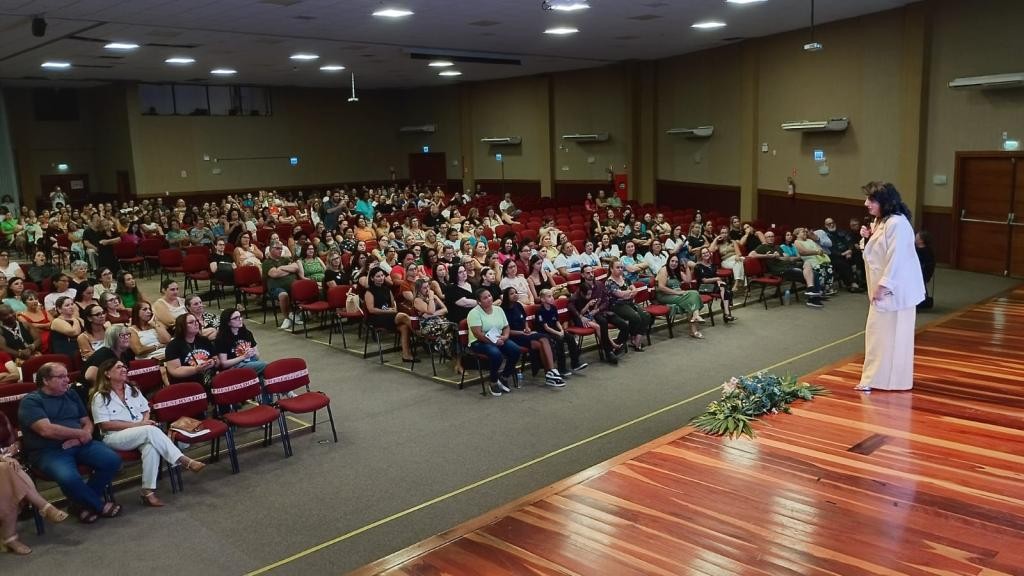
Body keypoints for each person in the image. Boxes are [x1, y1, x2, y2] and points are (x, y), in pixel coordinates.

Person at [18, 362, 123, 524]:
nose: (67, 380)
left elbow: (87, 421)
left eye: (67, 376)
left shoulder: (71, 394)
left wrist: (84, 435)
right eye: (61, 377)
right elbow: (46, 430)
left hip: (80, 443)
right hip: (49, 450)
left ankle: (80, 505)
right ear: (45, 380)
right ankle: (98, 505)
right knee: (69, 478)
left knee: (112, 461)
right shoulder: (31, 401)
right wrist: (80, 434)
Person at [90, 359, 204, 508]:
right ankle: (183, 460)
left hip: (141, 431)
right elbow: (104, 425)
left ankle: (147, 492)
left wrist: (144, 421)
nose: (124, 369)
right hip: (115, 436)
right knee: (151, 430)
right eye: (119, 367)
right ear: (107, 373)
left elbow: (146, 409)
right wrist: (139, 425)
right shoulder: (100, 397)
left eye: (124, 366)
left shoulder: (132, 389)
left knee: (151, 447)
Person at [856, 182, 925, 392]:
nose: (866, 203)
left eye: (872, 200)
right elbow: (876, 252)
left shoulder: (898, 224)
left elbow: (898, 258)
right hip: (885, 288)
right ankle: (878, 378)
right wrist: (867, 238)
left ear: (885, 202)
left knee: (892, 335)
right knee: (879, 334)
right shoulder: (881, 221)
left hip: (895, 290)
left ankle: (886, 379)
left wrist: (884, 285)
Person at [1, 411, 69, 555]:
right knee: (7, 470)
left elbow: (15, 438)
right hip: (4, 464)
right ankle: (44, 506)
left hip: (9, 462)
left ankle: (10, 538)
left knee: (10, 472)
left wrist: (15, 447)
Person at [501, 286, 564, 387]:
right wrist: (523, 332)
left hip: (525, 334)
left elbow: (524, 319)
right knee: (544, 337)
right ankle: (552, 370)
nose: (515, 295)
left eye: (516, 292)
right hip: (514, 337)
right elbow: (506, 331)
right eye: (512, 293)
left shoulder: (518, 305)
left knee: (541, 344)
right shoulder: (502, 310)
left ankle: (549, 375)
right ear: (506, 296)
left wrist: (527, 328)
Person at [467, 288, 520, 396]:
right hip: (479, 342)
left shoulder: (498, 310)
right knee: (496, 354)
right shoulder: (474, 313)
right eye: (485, 298)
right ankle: (493, 381)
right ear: (479, 301)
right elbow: (478, 334)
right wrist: (494, 343)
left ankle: (504, 377)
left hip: (499, 338)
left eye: (490, 296)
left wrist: (505, 337)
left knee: (515, 350)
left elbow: (506, 326)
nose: (489, 299)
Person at [363, 266, 413, 362]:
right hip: (376, 318)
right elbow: (371, 310)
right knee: (403, 316)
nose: (381, 278)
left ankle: (406, 355)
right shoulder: (369, 292)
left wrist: (393, 308)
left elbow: (393, 303)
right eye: (378, 276)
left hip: (389, 315)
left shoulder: (387, 289)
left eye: (382, 275)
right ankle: (420, 333)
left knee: (404, 327)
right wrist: (390, 311)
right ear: (372, 278)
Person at [535, 288, 588, 376]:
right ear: (543, 299)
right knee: (559, 340)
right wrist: (558, 333)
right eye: (549, 296)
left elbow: (557, 321)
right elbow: (546, 327)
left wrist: (561, 330)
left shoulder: (553, 308)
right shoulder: (540, 311)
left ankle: (575, 363)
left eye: (552, 296)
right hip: (545, 332)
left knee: (570, 338)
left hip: (555, 329)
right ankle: (562, 369)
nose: (552, 298)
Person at [605, 257, 653, 352]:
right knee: (635, 317)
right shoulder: (609, 282)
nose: (620, 269)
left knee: (646, 316)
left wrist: (628, 293)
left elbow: (634, 290)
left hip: (629, 302)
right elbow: (620, 294)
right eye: (617, 267)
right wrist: (629, 293)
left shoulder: (625, 278)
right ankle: (633, 338)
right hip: (617, 306)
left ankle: (636, 341)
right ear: (611, 269)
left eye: (621, 267)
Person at [655, 254, 705, 338]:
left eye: (676, 262)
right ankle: (694, 328)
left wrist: (686, 268)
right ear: (668, 261)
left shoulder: (676, 271)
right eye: (672, 261)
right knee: (691, 298)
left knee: (695, 293)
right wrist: (677, 293)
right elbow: (661, 287)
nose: (674, 263)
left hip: (676, 294)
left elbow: (688, 280)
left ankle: (695, 317)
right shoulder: (664, 270)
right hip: (664, 295)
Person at [164, 313, 219, 386]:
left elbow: (217, 360)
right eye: (191, 322)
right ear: (182, 326)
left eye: (196, 321)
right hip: (187, 385)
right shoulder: (173, 345)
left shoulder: (204, 340)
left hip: (210, 380)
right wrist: (195, 369)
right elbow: (174, 370)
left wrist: (213, 362)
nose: (196, 324)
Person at [263, 241, 305, 330]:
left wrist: (281, 268)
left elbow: (296, 267)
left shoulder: (285, 259)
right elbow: (274, 274)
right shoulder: (267, 262)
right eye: (277, 248)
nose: (280, 250)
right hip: (275, 288)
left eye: (281, 249)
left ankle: (294, 314)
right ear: (270, 249)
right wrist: (289, 270)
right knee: (283, 295)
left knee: (305, 289)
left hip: (292, 285)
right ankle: (286, 318)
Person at [214, 308, 266, 376]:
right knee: (265, 365)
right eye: (236, 318)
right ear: (228, 322)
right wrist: (243, 357)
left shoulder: (247, 333)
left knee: (261, 374)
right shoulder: (222, 338)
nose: (240, 319)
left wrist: (252, 353)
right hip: (234, 366)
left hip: (250, 361)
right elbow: (224, 364)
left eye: (240, 316)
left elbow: (257, 356)